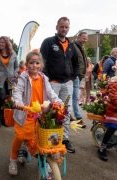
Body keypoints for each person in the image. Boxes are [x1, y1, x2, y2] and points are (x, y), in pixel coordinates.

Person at [8, 51, 63, 175]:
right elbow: (18, 90)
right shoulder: (24, 76)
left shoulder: (44, 78)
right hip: (26, 113)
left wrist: (58, 102)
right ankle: (13, 159)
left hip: (40, 114)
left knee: (41, 139)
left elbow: (50, 93)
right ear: (27, 64)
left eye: (37, 63)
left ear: (41, 65)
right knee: (20, 136)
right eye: (31, 63)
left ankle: (44, 160)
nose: (34, 65)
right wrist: (18, 102)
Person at [40, 17, 79, 153]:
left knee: (66, 112)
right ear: (57, 27)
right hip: (53, 83)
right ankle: (50, 137)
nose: (64, 29)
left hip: (67, 83)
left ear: (69, 28)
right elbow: (41, 60)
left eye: (66, 27)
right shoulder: (48, 42)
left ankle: (65, 139)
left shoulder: (71, 45)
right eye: (62, 27)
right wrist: (47, 78)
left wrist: (73, 78)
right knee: (51, 111)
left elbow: (77, 63)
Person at [0, 36, 19, 128]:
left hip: (10, 80)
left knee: (7, 100)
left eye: (3, 42)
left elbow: (17, 67)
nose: (1, 44)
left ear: (6, 43)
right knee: (2, 97)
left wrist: (15, 73)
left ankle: (5, 120)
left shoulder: (13, 53)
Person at [71, 32, 88, 128]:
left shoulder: (81, 47)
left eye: (86, 39)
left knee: (72, 98)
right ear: (78, 37)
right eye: (83, 38)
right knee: (75, 98)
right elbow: (71, 61)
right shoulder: (73, 46)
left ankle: (69, 116)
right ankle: (78, 118)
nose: (85, 40)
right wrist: (74, 75)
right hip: (75, 76)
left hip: (79, 75)